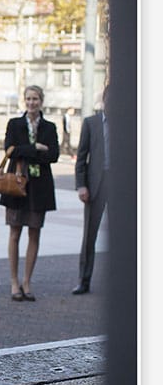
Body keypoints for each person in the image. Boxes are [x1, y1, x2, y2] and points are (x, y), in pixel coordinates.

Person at [0, 85, 60, 302]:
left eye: (35, 99)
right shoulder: (14, 124)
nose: (32, 102)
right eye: (28, 98)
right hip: (16, 184)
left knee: (35, 232)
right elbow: (10, 149)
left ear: (41, 101)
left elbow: (53, 155)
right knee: (15, 232)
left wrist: (28, 150)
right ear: (24, 101)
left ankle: (27, 281)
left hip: (39, 187)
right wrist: (36, 149)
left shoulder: (50, 127)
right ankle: (14, 281)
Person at [73, 89, 110, 295]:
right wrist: (81, 185)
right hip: (95, 185)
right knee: (89, 236)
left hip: (119, 186)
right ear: (104, 101)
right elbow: (81, 157)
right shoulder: (91, 123)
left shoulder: (129, 123)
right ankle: (84, 280)